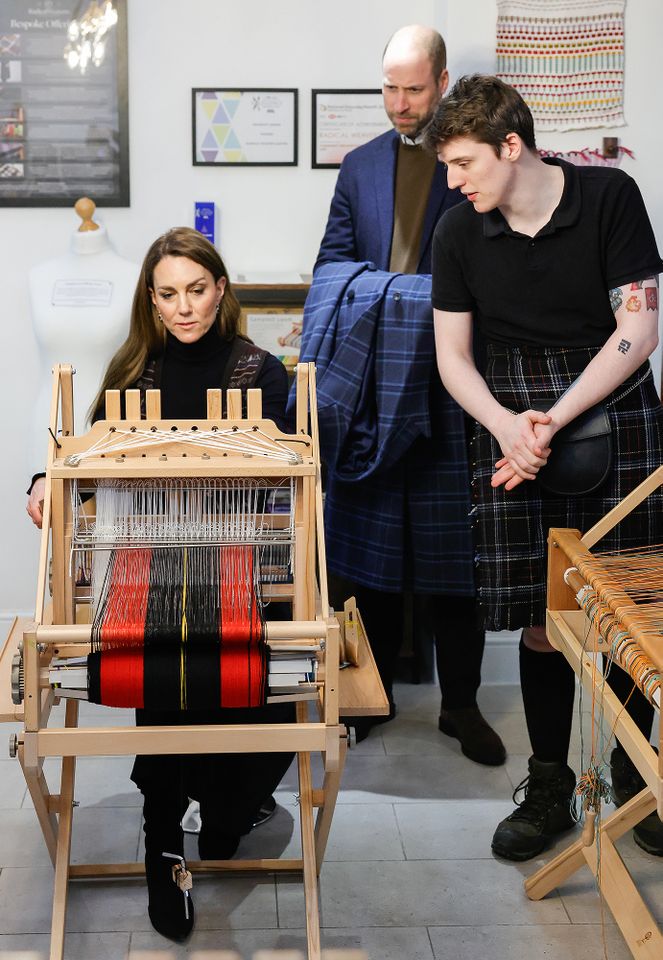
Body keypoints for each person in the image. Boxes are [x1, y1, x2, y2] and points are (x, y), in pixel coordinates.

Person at [28, 227, 294, 941]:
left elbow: (299, 475)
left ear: (221, 290)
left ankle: (227, 802)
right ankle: (161, 846)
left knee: (250, 721)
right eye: (169, 293)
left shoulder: (261, 373)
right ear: (151, 297)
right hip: (148, 572)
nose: (184, 307)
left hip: (240, 567)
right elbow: (81, 464)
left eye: (197, 291)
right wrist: (42, 484)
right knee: (170, 682)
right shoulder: (132, 373)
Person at [426, 74, 663, 860]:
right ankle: (551, 788)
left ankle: (638, 780)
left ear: (510, 145)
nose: (454, 183)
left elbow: (638, 328)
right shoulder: (458, 233)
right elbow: (451, 357)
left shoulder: (608, 197)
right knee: (540, 614)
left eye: (464, 164)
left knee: (626, 604)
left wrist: (552, 423)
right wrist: (505, 427)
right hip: (507, 408)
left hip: (609, 399)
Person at [315, 25, 505, 765]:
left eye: (413, 89)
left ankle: (461, 704)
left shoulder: (473, 164)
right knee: (365, 554)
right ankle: (369, 696)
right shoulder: (358, 165)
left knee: (455, 557)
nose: (399, 103)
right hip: (371, 389)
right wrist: (397, 296)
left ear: (443, 81)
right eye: (389, 88)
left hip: (455, 388)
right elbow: (330, 265)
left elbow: (491, 271)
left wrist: (404, 297)